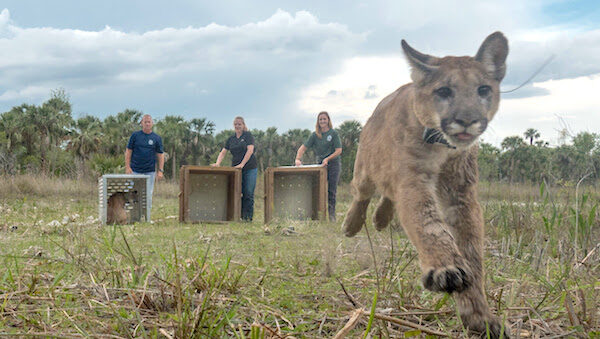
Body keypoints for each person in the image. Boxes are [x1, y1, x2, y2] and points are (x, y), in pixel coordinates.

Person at [295, 111, 342, 222]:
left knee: (331, 190)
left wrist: (327, 159)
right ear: (318, 121)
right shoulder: (315, 135)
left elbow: (339, 150)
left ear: (328, 120)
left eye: (324, 119)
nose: (322, 121)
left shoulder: (333, 134)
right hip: (320, 165)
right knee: (317, 189)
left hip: (333, 164)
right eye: (320, 119)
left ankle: (331, 216)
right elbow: (302, 148)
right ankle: (316, 216)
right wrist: (298, 159)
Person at [212, 116, 258, 221]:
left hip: (250, 167)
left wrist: (242, 164)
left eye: (239, 124)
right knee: (236, 192)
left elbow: (250, 150)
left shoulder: (248, 136)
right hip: (236, 169)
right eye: (236, 124)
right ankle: (238, 216)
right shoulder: (231, 139)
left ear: (243, 125)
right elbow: (223, 152)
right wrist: (217, 163)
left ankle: (247, 218)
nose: (237, 126)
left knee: (248, 192)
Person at [125, 114, 164, 215]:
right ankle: (132, 215)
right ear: (141, 123)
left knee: (148, 194)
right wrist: (128, 167)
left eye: (149, 122)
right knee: (132, 192)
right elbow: (128, 151)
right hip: (135, 170)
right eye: (145, 122)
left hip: (149, 171)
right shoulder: (135, 136)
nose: (147, 124)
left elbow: (160, 155)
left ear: (152, 124)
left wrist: (160, 170)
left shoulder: (156, 138)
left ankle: (146, 216)